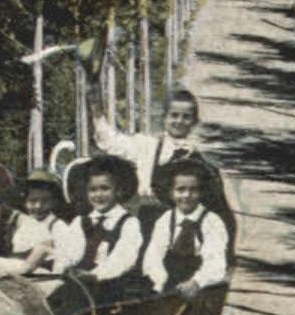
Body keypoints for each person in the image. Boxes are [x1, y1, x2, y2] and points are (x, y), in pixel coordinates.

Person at [90, 81, 237, 255]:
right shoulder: (147, 146)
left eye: (186, 117)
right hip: (144, 222)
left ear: (194, 121)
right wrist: (95, 108)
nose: (179, 121)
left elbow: (221, 212)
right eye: (174, 115)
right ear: (164, 118)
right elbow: (111, 141)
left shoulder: (201, 163)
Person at [53, 154, 146, 287]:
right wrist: (62, 270)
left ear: (118, 190)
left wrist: (95, 275)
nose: (98, 195)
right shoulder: (80, 222)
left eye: (105, 188)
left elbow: (123, 259)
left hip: (110, 284)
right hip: (78, 283)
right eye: (93, 190)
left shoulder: (129, 223)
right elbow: (68, 253)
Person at [143, 165, 230, 299]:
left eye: (193, 190)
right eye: (180, 190)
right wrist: (161, 283)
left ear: (201, 192)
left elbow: (215, 261)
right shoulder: (165, 220)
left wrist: (196, 282)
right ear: (171, 193)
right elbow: (153, 256)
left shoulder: (212, 221)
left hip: (202, 287)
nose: (187, 195)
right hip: (169, 285)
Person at [23, 167, 68, 254]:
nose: (38, 206)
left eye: (45, 201)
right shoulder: (22, 225)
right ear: (25, 202)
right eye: (33, 201)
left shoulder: (58, 227)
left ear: (54, 202)